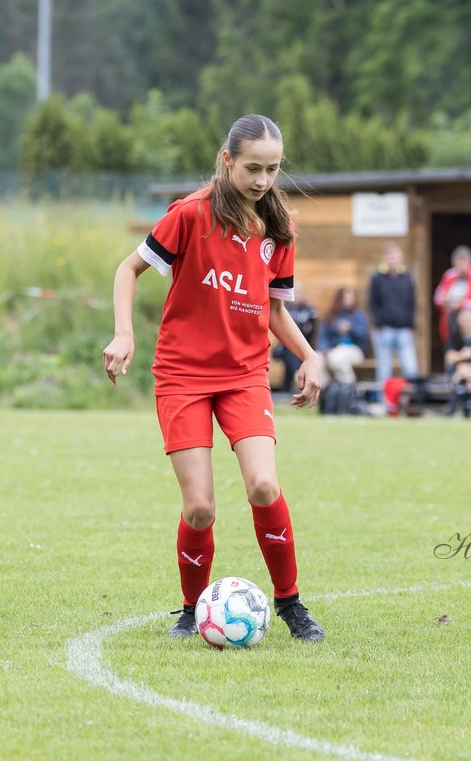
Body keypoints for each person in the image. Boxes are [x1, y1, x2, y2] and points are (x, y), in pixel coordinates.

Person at [102, 114, 325, 642]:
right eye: (252, 168)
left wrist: (309, 355)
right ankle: (190, 610)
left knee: (264, 483)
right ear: (227, 161)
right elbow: (126, 270)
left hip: (245, 375)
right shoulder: (190, 214)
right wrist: (123, 334)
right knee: (199, 507)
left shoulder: (279, 228)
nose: (262, 181)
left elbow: (273, 311)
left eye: (272, 170)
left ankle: (291, 605)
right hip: (182, 375)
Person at [367, 243, 419, 386]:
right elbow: (373, 303)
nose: (392, 259)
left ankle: (412, 402)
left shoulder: (407, 278)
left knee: (410, 368)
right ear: (384, 258)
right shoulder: (378, 278)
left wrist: (410, 324)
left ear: (400, 258)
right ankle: (385, 404)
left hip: (404, 329)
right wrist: (379, 323)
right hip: (384, 330)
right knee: (384, 370)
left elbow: (412, 303)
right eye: (389, 256)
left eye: (395, 256)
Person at [432, 245, 471, 343]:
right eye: (457, 261)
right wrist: (445, 303)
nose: (460, 264)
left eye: (463, 261)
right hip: (451, 321)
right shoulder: (449, 275)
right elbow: (437, 297)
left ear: (470, 261)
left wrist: (462, 304)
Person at [317, 286, 369, 385]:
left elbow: (363, 335)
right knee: (317, 360)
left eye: (351, 298)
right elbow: (323, 337)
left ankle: (349, 389)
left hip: (354, 349)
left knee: (337, 358)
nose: (350, 301)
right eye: (346, 298)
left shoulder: (358, 315)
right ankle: (326, 391)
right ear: (339, 299)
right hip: (331, 349)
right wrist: (324, 349)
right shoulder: (330, 316)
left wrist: (350, 328)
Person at [443, 307, 471, 417]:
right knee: (466, 380)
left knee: (467, 379)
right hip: (459, 372)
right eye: (464, 320)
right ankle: (468, 405)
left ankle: (453, 407)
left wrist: (467, 368)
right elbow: (449, 357)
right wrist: (463, 355)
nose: (466, 323)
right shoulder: (454, 336)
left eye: (468, 320)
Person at [274, 288, 318, 393]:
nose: (297, 296)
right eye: (295, 293)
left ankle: (294, 378)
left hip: (306, 344)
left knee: (292, 352)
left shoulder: (309, 310)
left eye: (299, 293)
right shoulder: (285, 308)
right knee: (289, 351)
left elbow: (311, 330)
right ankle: (296, 375)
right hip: (287, 346)